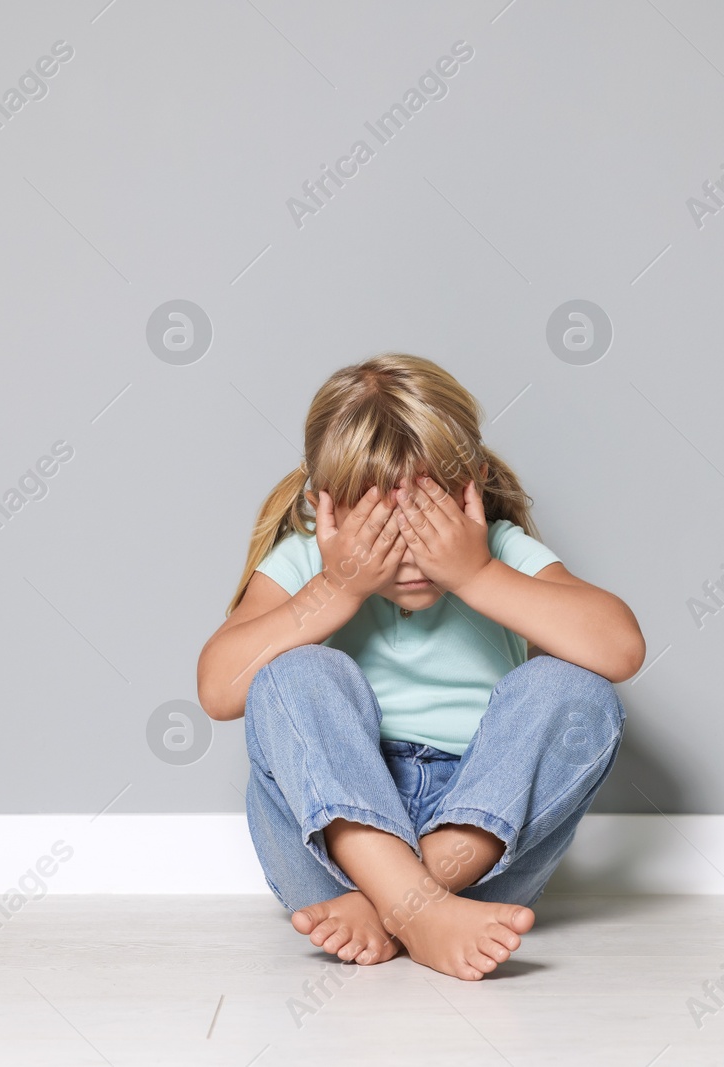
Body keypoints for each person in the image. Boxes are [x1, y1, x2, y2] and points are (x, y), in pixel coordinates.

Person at [196, 353, 646, 981]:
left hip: (482, 844)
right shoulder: (308, 563)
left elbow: (620, 648)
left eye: (428, 525)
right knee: (291, 675)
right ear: (321, 505)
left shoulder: (496, 553)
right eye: (378, 530)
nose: (409, 557)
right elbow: (219, 689)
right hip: (328, 849)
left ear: (474, 490)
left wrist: (478, 573)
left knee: (577, 689)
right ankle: (413, 903)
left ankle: (399, 903)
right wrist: (339, 587)